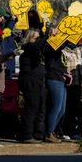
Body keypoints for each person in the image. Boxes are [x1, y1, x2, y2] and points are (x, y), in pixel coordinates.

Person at [18, 11, 50, 143]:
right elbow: (38, 44)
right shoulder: (28, 46)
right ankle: (27, 134)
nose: (38, 40)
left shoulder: (36, 47)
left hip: (39, 78)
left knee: (41, 106)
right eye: (35, 38)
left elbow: (42, 43)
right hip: (30, 79)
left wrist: (46, 25)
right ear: (30, 37)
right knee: (32, 107)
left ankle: (38, 133)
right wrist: (46, 33)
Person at [44, 26, 68, 143]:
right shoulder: (49, 44)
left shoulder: (58, 45)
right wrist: (53, 36)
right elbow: (54, 51)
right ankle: (49, 132)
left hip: (60, 77)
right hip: (53, 77)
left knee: (62, 109)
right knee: (56, 107)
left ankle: (52, 130)